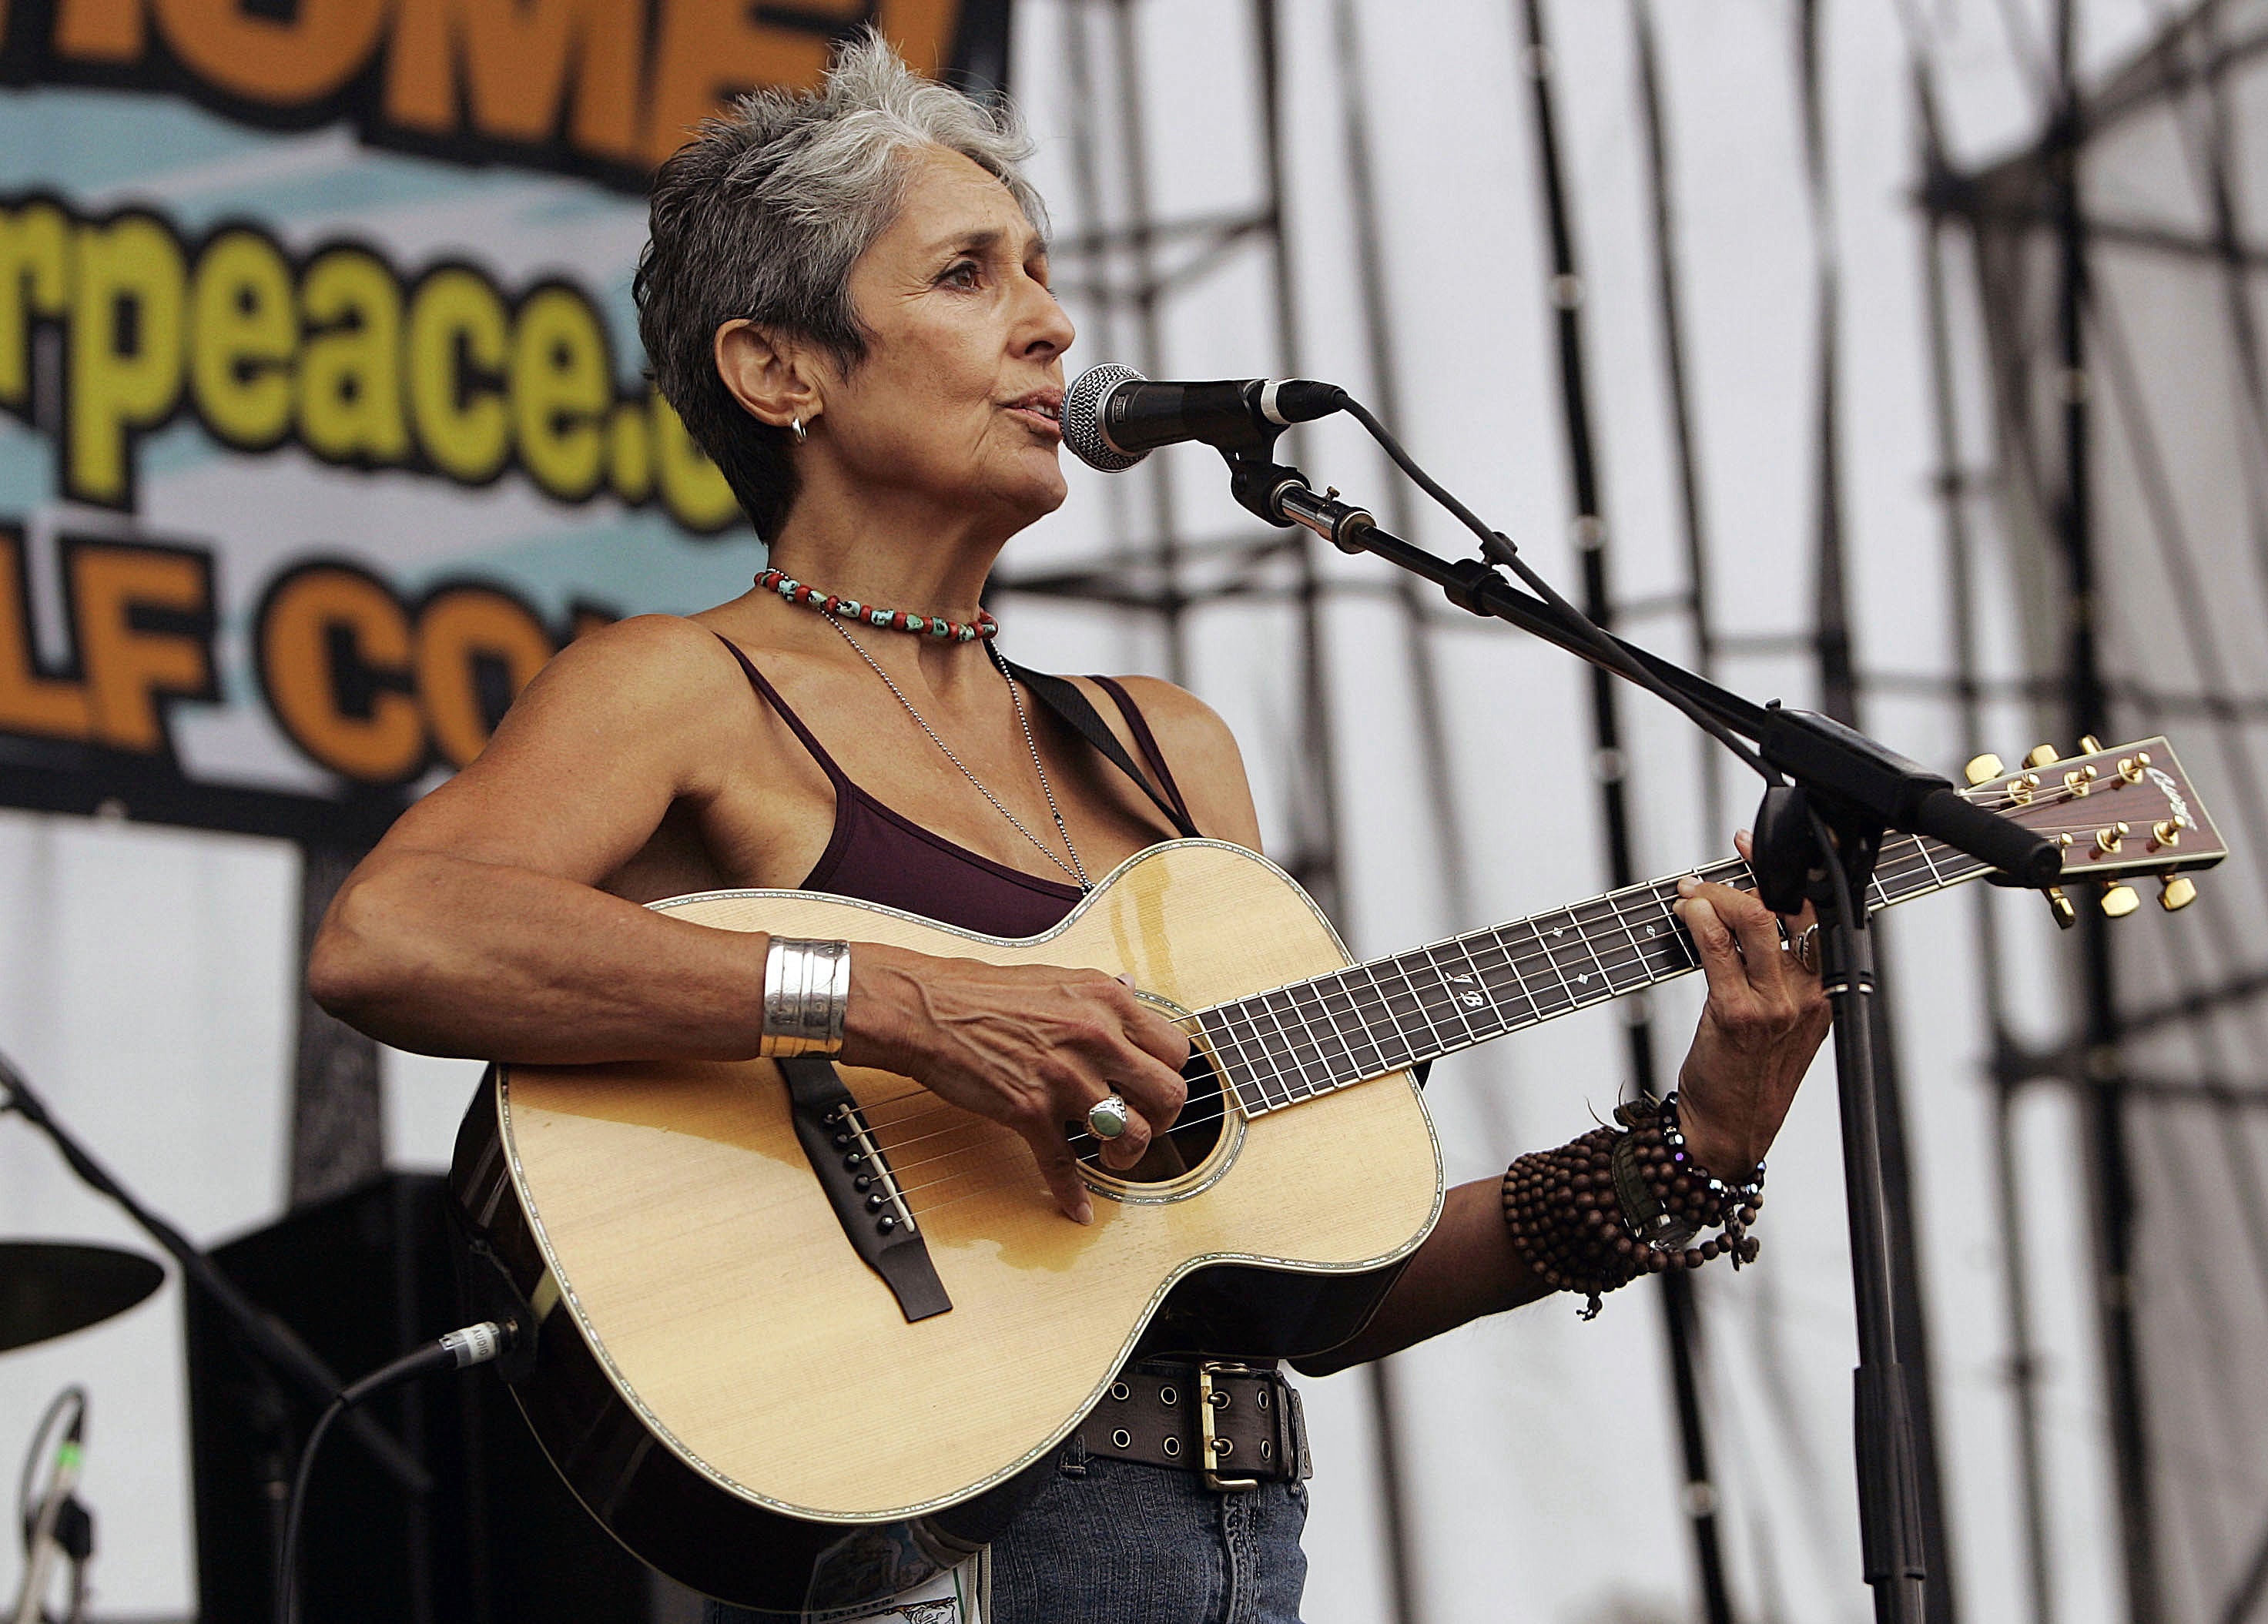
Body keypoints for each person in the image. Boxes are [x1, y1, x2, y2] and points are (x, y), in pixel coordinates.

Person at [308, 31, 1830, 1624]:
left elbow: (1316, 1278)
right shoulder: (687, 687)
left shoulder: (1163, 752)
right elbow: (393, 934)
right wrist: (896, 1003)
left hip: (1234, 1543)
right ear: (782, 370)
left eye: (1042, 271)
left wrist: (1690, 1149)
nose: (1055, 323)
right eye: (970, 275)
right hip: (935, 1555)